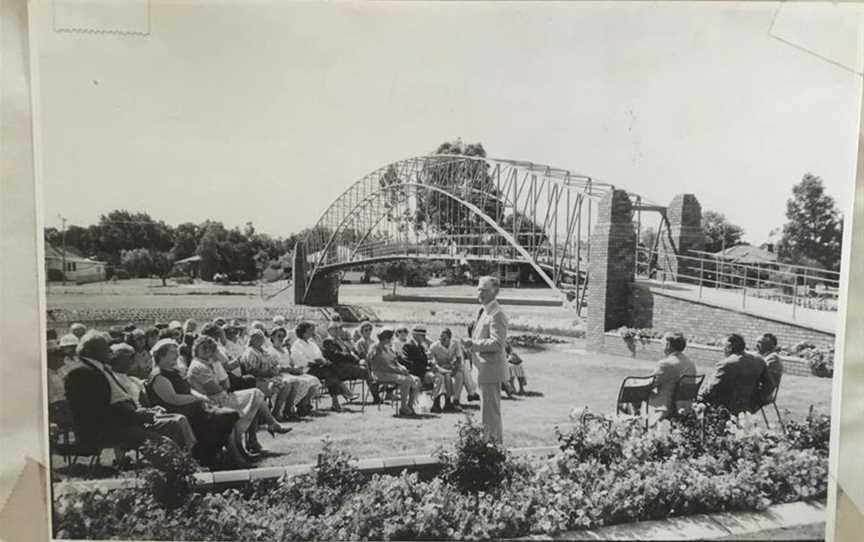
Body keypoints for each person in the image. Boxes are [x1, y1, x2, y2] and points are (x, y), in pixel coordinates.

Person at [64, 331, 178, 455]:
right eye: (105, 347)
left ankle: (185, 466)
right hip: (104, 430)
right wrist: (134, 416)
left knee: (172, 427)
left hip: (122, 420)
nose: (110, 350)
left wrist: (137, 413)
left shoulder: (99, 368)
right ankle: (176, 469)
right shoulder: (81, 372)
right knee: (161, 443)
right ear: (91, 351)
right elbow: (96, 411)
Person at [146, 339, 245, 469]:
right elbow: (173, 399)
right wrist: (197, 399)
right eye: (172, 352)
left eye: (177, 352)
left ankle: (219, 455)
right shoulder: (158, 376)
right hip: (179, 414)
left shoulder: (174, 371)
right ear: (161, 355)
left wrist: (202, 397)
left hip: (194, 411)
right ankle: (207, 456)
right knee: (227, 416)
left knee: (230, 415)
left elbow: (189, 389)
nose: (177, 355)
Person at [186, 336, 291, 458]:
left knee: (255, 396)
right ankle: (269, 427)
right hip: (214, 403)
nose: (206, 350)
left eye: (210, 348)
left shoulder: (210, 363)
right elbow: (216, 388)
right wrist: (221, 383)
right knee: (255, 395)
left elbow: (226, 384)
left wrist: (218, 362)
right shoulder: (198, 366)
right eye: (203, 347)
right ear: (195, 349)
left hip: (222, 397)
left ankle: (256, 439)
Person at [109, 343, 197, 454]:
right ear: (117, 359)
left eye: (133, 356)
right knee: (177, 421)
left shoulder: (132, 380)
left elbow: (142, 403)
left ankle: (186, 455)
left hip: (144, 415)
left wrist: (153, 408)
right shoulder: (113, 379)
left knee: (181, 419)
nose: (134, 360)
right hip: (134, 420)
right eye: (129, 357)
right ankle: (181, 457)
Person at [462, 276, 508, 444]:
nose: (479, 292)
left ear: (495, 291)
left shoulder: (497, 314)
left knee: (490, 413)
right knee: (486, 412)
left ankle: (494, 447)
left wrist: (473, 344)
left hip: (490, 371)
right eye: (478, 288)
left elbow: (497, 343)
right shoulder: (483, 311)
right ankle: (488, 444)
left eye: (484, 290)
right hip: (482, 370)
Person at [698, 334, 774, 415]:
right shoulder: (759, 361)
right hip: (747, 408)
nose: (723, 349)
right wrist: (756, 401)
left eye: (723, 346)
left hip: (725, 409)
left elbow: (711, 389)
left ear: (729, 347)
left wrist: (699, 397)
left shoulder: (726, 364)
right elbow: (770, 385)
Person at [291, 322, 355, 412]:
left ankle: (337, 400)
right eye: (310, 330)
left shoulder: (311, 343)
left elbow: (319, 355)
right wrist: (315, 361)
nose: (312, 332)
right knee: (330, 372)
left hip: (318, 368)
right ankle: (341, 396)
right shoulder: (297, 345)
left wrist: (323, 361)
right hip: (306, 369)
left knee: (330, 372)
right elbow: (300, 360)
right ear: (303, 332)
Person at [240, 329, 298, 422]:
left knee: (290, 383)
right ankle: (275, 413)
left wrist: (276, 368)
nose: (261, 340)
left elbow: (274, 363)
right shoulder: (250, 352)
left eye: (262, 338)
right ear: (252, 339)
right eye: (258, 338)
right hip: (258, 380)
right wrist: (268, 372)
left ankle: (282, 411)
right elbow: (251, 370)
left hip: (269, 377)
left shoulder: (263, 351)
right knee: (284, 384)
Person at [268, 326, 320, 419]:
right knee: (293, 381)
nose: (281, 338)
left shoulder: (285, 350)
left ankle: (302, 406)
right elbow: (274, 368)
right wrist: (290, 369)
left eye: (283, 336)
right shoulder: (270, 351)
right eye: (279, 336)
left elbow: (291, 363)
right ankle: (286, 410)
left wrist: (296, 368)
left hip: (290, 373)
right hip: (280, 374)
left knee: (313, 380)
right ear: (272, 337)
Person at [367, 328, 421, 416]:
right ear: (385, 338)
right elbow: (383, 367)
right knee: (405, 380)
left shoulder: (387, 347)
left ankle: (409, 405)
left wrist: (402, 367)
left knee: (416, 380)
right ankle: (403, 406)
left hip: (392, 372)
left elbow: (395, 361)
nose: (392, 339)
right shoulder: (375, 349)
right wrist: (399, 371)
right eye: (390, 338)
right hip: (380, 374)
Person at [648, 332, 697, 419]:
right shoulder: (690, 363)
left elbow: (649, 384)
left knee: (632, 393)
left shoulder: (666, 364)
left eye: (662, 343)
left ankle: (631, 424)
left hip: (666, 406)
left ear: (668, 345)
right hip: (684, 406)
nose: (661, 345)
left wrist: (634, 383)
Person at [429, 328, 464, 412]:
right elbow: (432, 363)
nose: (442, 339)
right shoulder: (434, 346)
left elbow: (459, 358)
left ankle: (455, 400)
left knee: (459, 375)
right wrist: (443, 369)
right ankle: (446, 402)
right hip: (438, 368)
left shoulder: (455, 343)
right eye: (440, 337)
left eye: (444, 338)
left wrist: (454, 369)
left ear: (449, 338)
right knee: (446, 377)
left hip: (450, 366)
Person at [46, 339, 73, 427]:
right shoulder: (45, 374)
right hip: (54, 409)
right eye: (59, 357)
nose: (62, 360)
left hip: (67, 405)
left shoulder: (63, 370)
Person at [755, 333, 782, 406]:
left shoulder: (773, 358)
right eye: (756, 342)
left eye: (760, 343)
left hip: (764, 394)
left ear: (769, 345)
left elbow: (764, 379)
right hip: (758, 390)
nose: (756, 345)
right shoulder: (764, 356)